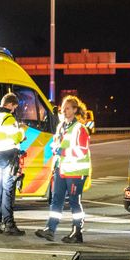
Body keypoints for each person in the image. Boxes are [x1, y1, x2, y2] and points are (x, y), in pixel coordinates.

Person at [36, 95, 92, 243]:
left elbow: (82, 151)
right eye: (63, 108)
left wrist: (62, 151)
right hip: (61, 169)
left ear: (75, 110)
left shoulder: (80, 129)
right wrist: (55, 149)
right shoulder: (61, 127)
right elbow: (57, 145)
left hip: (75, 171)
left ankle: (77, 232)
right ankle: (50, 229)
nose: (64, 111)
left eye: (68, 108)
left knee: (74, 202)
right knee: (56, 200)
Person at [0, 92, 26, 235]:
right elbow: (17, 137)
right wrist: (21, 130)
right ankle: (9, 224)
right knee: (8, 191)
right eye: (14, 107)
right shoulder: (9, 118)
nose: (14, 110)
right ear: (9, 104)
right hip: (10, 156)